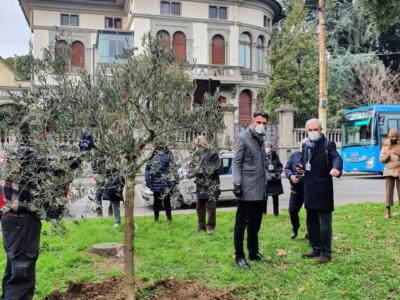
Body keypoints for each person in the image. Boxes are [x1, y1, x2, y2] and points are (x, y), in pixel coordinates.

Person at [0, 115, 80, 300]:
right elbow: (53, 168)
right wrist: (77, 159)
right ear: (36, 132)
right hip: (22, 222)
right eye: (46, 132)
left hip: (15, 221)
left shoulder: (17, 150)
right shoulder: (26, 153)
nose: (47, 136)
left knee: (15, 271)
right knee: (22, 276)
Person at [300, 118, 343, 264]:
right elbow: (303, 161)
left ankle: (326, 253)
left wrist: (336, 168)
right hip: (309, 189)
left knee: (325, 224)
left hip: (323, 189)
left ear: (321, 130)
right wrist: (300, 167)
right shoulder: (306, 145)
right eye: (310, 130)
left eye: (315, 130)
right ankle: (316, 248)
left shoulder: (327, 145)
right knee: (311, 221)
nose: (313, 133)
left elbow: (337, 158)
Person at [232, 111, 268, 269]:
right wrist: (237, 183)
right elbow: (236, 162)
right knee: (241, 225)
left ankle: (253, 252)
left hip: (260, 189)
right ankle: (239, 256)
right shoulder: (242, 138)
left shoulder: (261, 138)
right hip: (246, 189)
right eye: (259, 122)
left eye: (264, 123)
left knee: (255, 224)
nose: (261, 125)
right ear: (252, 122)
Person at [189, 135, 221, 234]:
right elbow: (191, 168)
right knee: (200, 206)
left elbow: (213, 168)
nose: (197, 146)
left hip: (212, 184)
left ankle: (210, 226)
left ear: (204, 143)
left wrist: (199, 169)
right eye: (196, 144)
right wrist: (193, 170)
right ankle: (201, 225)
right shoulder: (196, 155)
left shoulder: (213, 154)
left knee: (211, 207)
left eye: (198, 144)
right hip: (200, 184)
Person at [145, 146, 176, 223]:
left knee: (167, 201)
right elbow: (147, 168)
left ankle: (169, 219)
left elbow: (174, 167)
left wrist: (175, 179)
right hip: (155, 182)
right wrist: (147, 179)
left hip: (166, 182)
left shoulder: (168, 154)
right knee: (156, 202)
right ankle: (156, 218)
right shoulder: (153, 154)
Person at [285, 138, 307, 239]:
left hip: (309, 190)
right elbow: (287, 168)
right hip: (296, 190)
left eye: (306, 144)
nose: (304, 146)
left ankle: (310, 233)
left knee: (311, 213)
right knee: (292, 211)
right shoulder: (294, 155)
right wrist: (291, 175)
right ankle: (295, 227)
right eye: (303, 144)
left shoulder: (312, 155)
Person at [379, 128, 400, 219]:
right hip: (389, 171)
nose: (394, 138)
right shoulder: (385, 146)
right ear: (389, 137)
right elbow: (381, 159)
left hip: (399, 171)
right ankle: (388, 212)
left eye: (396, 137)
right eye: (392, 137)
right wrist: (388, 154)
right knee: (388, 192)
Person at [263, 141, 283, 216]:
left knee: (275, 198)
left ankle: (276, 213)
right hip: (266, 180)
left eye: (269, 147)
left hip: (275, 180)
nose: (268, 148)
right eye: (266, 147)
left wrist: (278, 172)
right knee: (264, 198)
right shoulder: (262, 155)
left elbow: (280, 165)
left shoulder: (274, 154)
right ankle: (264, 213)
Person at [102, 162, 125, 227]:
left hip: (120, 184)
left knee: (123, 204)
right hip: (112, 188)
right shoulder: (109, 160)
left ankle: (122, 221)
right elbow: (106, 172)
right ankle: (117, 221)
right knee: (115, 204)